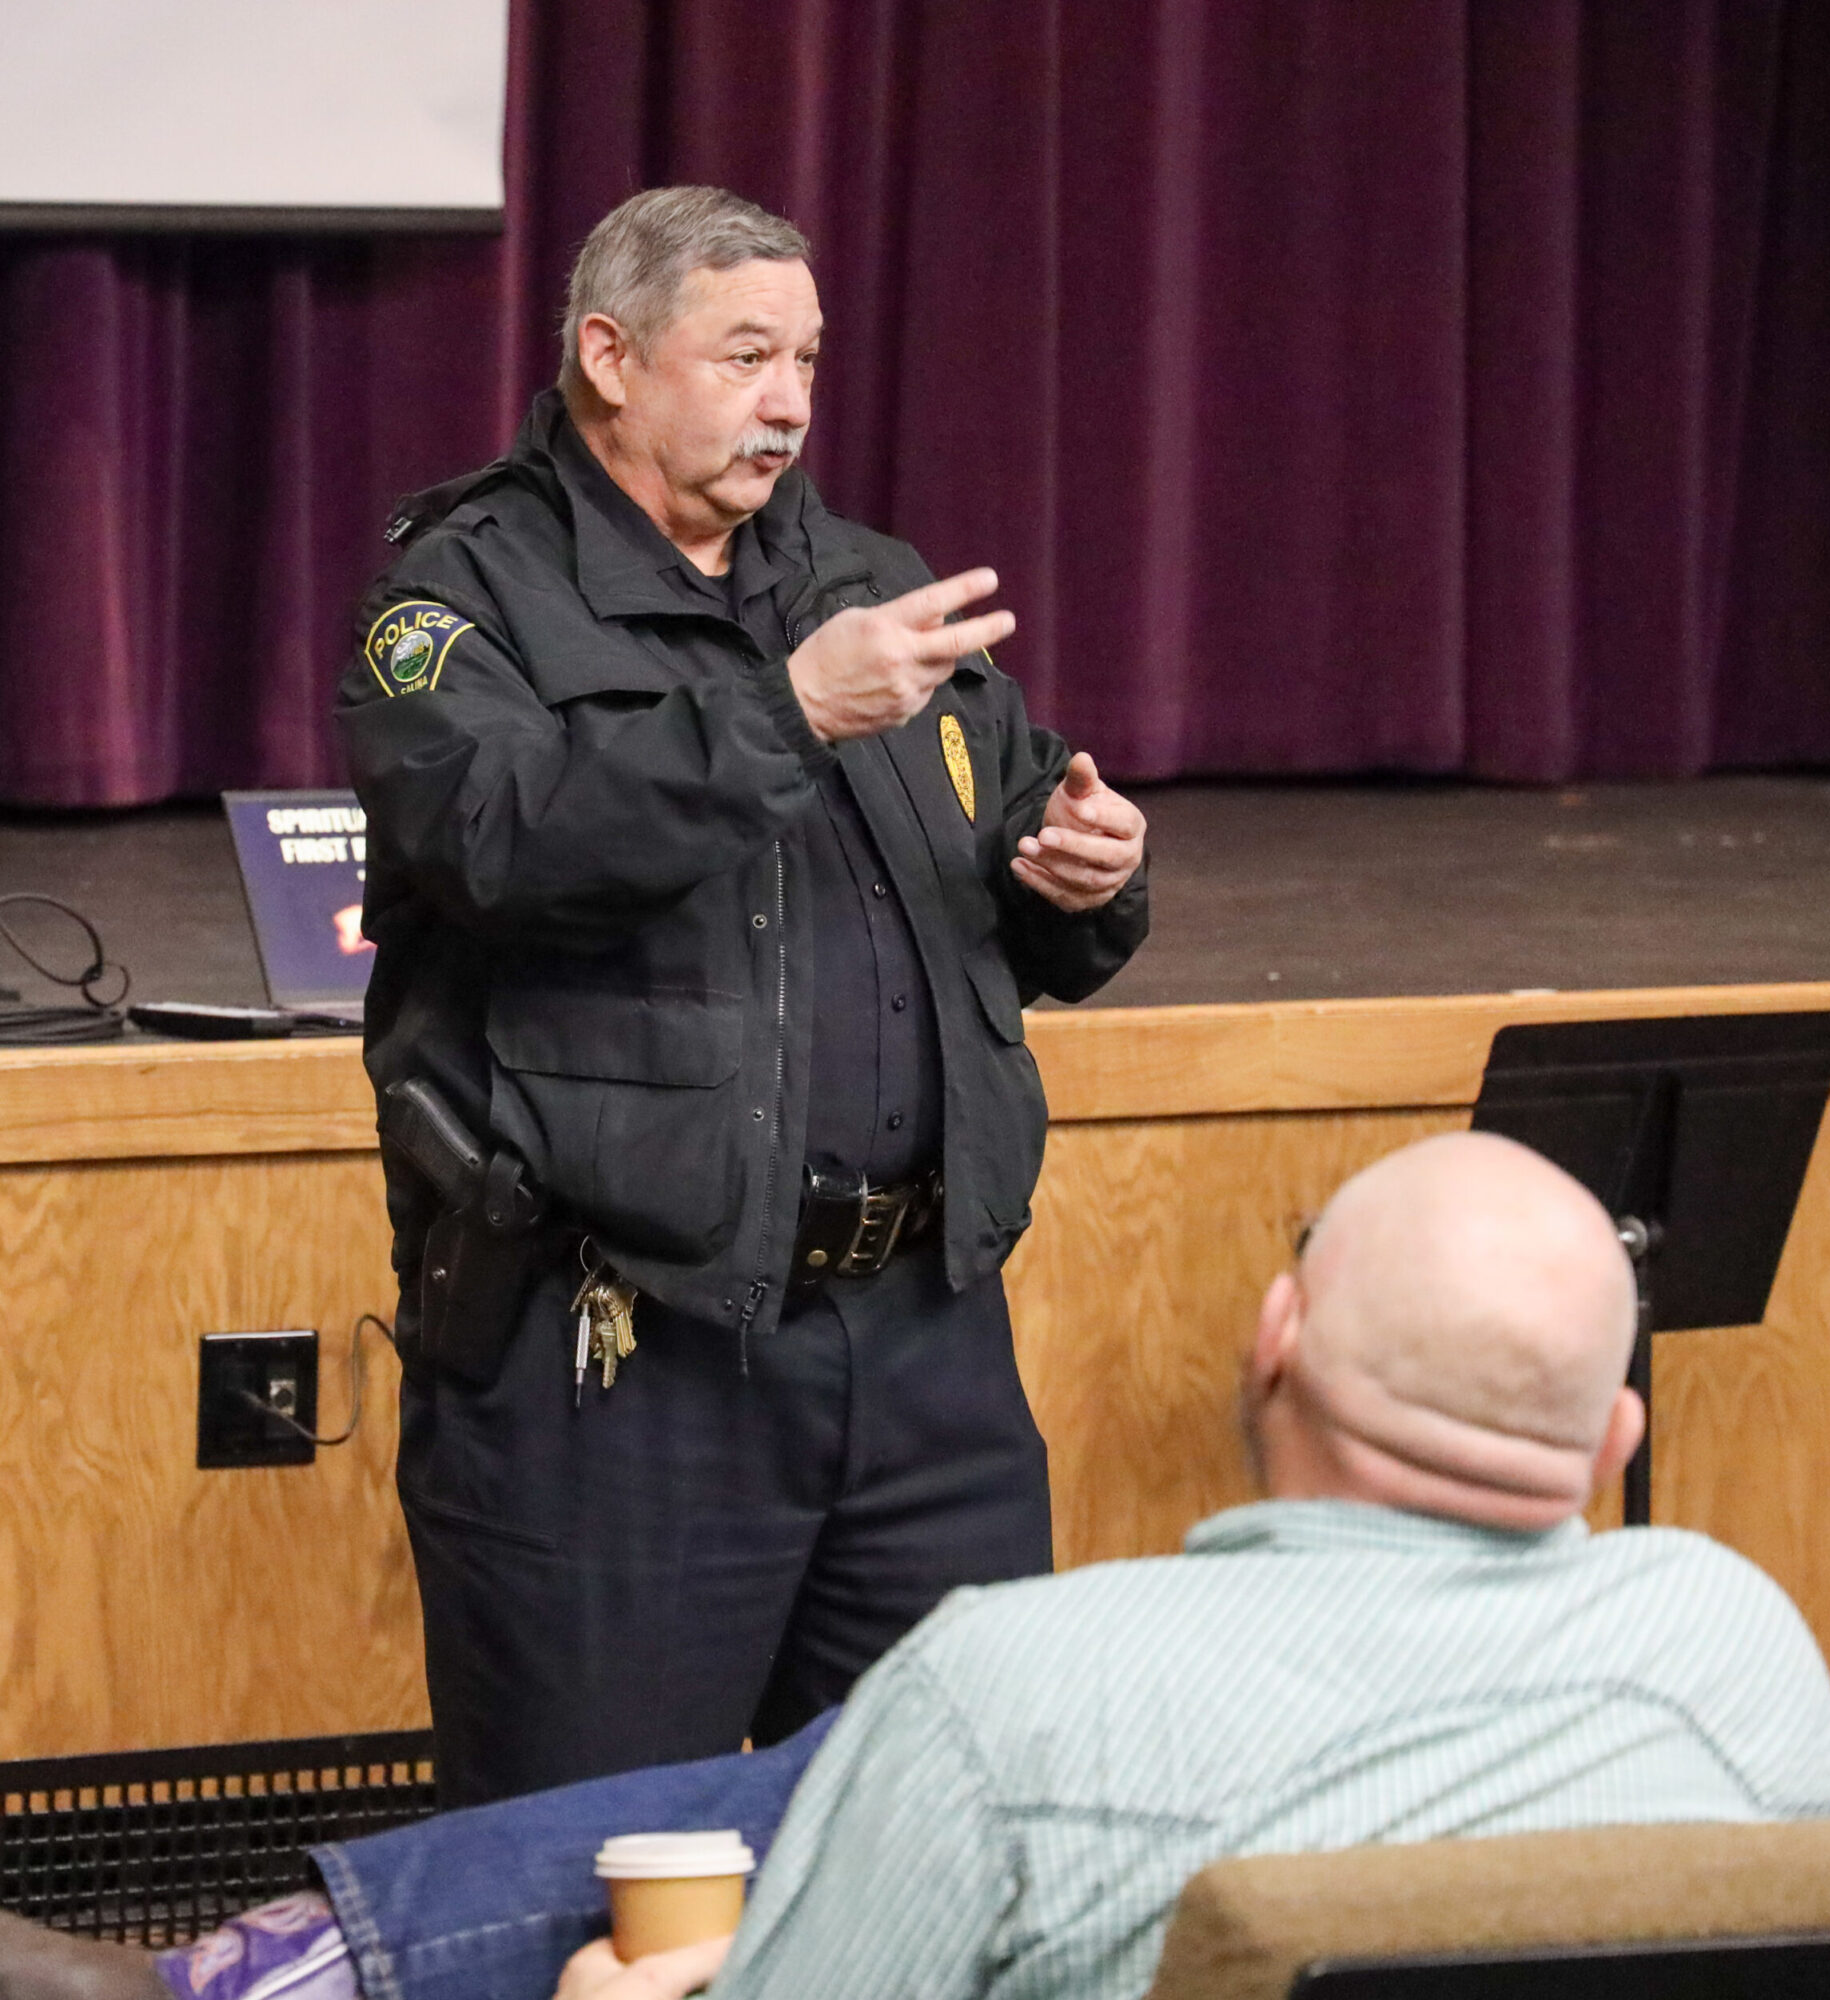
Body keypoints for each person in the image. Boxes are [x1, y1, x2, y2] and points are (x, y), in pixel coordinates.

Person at [0, 1132, 1830, 2000]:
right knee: (832, 1782)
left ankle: (258, 1982)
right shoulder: (1744, 1647)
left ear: (1274, 1343)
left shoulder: (1018, 1686)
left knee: (818, 1804)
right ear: (1614, 1441)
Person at [335, 186, 1149, 1806]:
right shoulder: (460, 599)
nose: (789, 402)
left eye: (809, 361)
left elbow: (1011, 838)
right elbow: (499, 840)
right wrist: (789, 715)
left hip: (923, 1351)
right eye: (746, 356)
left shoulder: (865, 581)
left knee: (958, 1836)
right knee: (592, 1869)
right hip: (625, 1361)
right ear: (611, 357)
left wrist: (1087, 874)